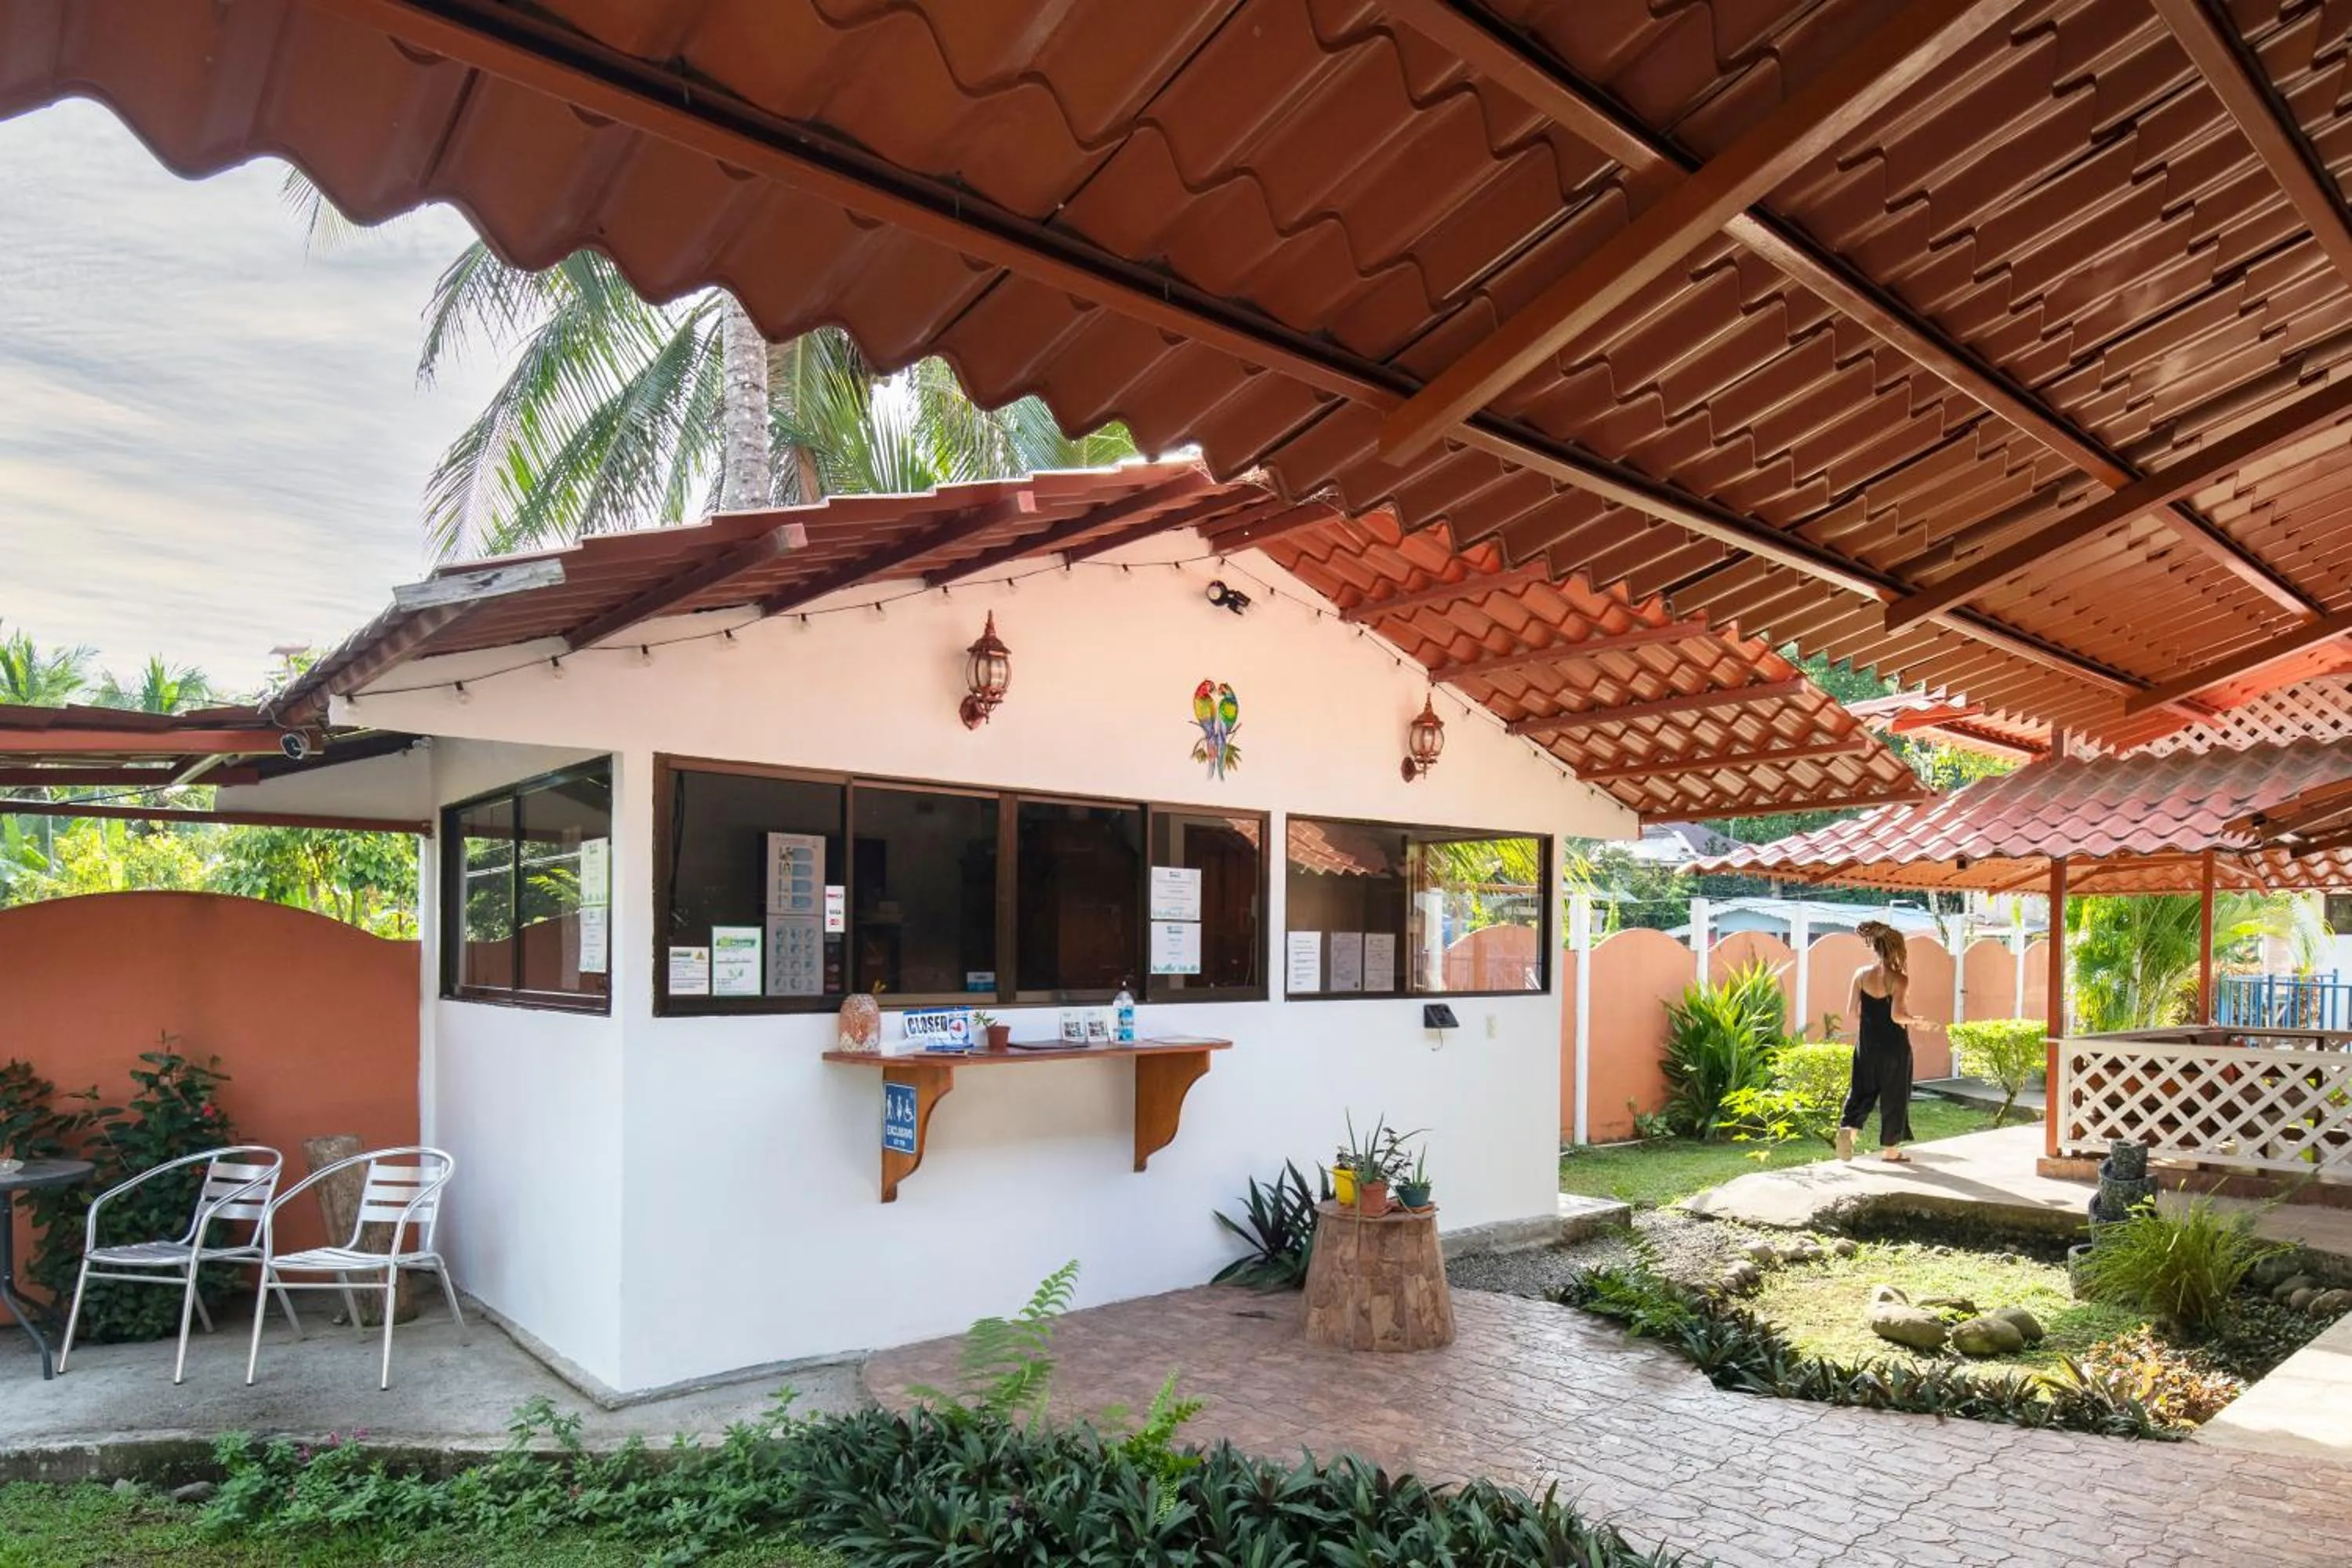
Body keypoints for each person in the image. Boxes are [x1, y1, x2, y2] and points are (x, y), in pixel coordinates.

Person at [1837, 920, 1940, 1163]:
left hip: (1867, 1045)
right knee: (1895, 1096)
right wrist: (1917, 1022)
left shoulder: (1860, 975)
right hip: (1894, 1047)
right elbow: (1897, 1016)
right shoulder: (1899, 979)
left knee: (1861, 1090)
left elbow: (1852, 1011)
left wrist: (1872, 1022)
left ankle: (1849, 1128)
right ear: (1897, 949)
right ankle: (1891, 1151)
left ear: (1875, 946)